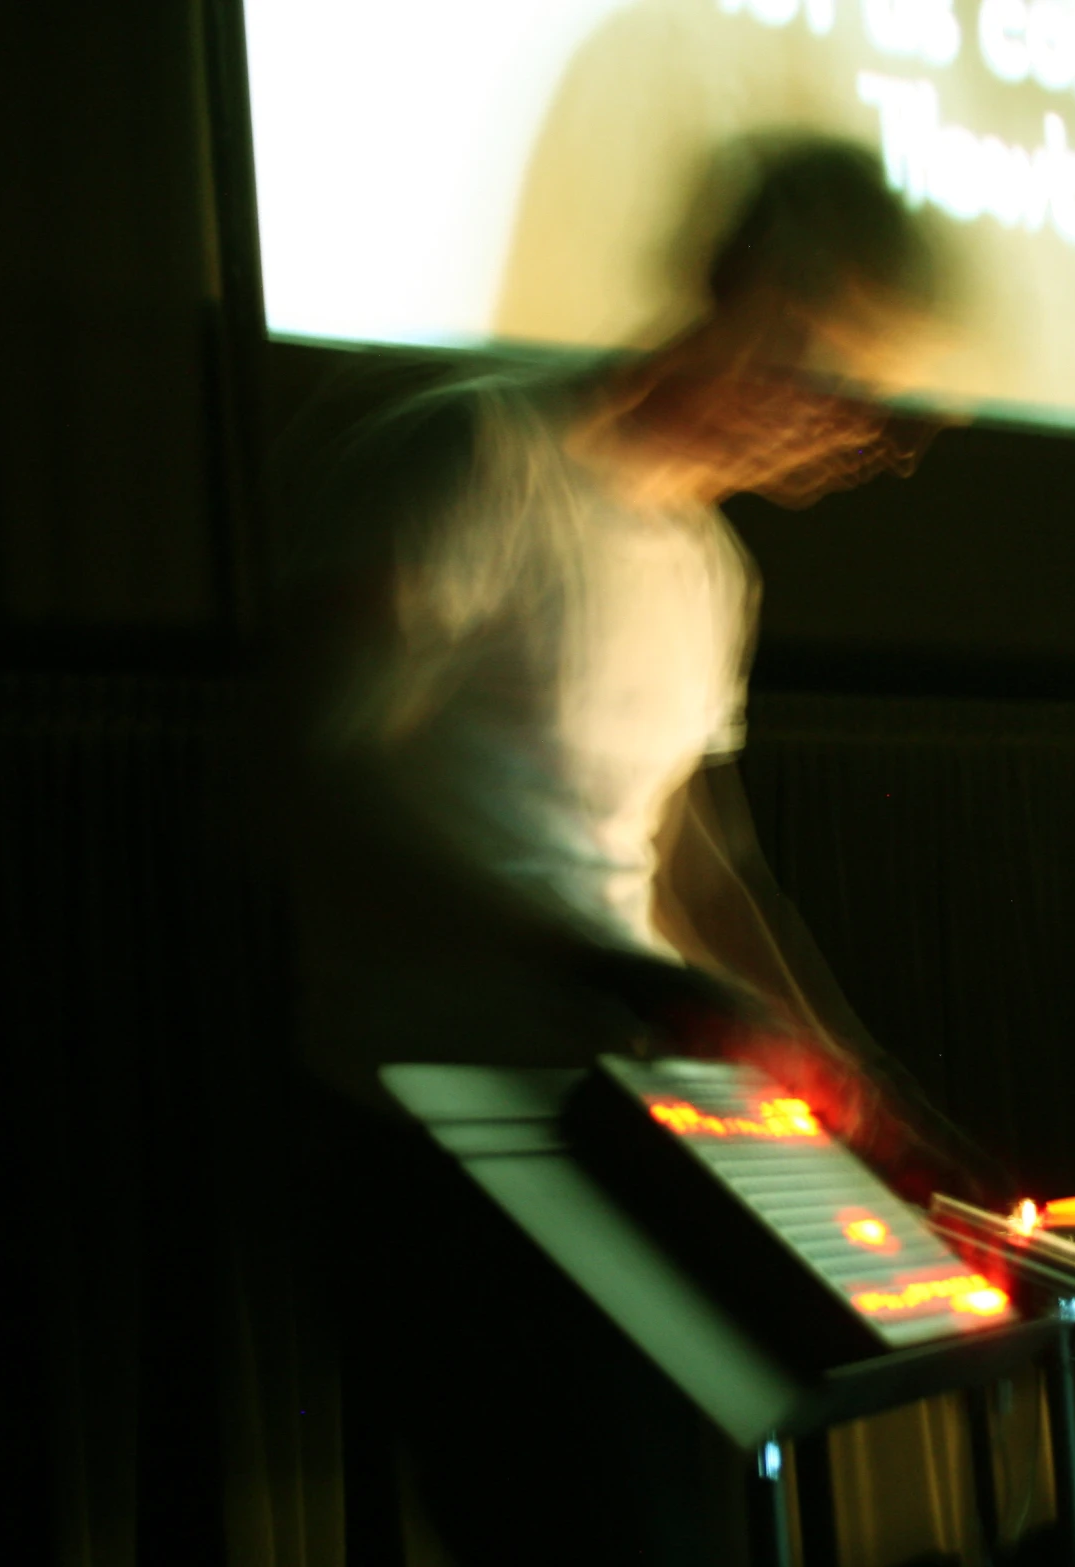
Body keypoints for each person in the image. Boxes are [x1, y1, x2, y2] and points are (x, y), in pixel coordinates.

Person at [270, 135, 998, 1563]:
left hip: (620, 1124)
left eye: (876, 402)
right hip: (436, 1131)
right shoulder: (471, 454)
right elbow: (311, 773)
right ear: (731, 291)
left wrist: (833, 1058)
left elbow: (689, 865)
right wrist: (602, 967)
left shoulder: (707, 564)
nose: (851, 427)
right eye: (825, 362)